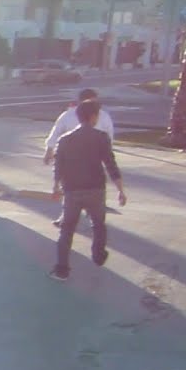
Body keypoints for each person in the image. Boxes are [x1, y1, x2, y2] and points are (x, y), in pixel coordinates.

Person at [49, 99, 127, 282]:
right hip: (95, 190)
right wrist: (121, 190)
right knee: (98, 225)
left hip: (72, 191)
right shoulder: (101, 137)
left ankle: (62, 270)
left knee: (67, 230)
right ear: (93, 117)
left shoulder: (65, 139)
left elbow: (58, 166)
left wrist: (55, 186)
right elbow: (111, 165)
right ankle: (98, 255)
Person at [45, 88, 115, 227]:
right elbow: (56, 131)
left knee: (94, 188)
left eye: (95, 102)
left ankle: (94, 217)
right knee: (70, 189)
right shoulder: (68, 115)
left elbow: (109, 135)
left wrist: (107, 153)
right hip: (72, 160)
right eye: (91, 102)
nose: (94, 105)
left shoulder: (103, 116)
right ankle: (66, 216)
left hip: (93, 159)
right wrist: (49, 149)